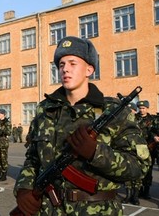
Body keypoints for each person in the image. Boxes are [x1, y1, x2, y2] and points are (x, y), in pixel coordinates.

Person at [13, 36, 150, 215]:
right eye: (61, 65)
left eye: (72, 63)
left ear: (89, 69)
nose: (65, 69)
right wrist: (24, 186)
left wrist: (96, 153)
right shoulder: (45, 110)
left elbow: (139, 167)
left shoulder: (113, 111)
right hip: (49, 210)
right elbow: (33, 158)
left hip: (97, 210)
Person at [136, 100, 158, 200]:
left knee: (148, 170)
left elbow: (156, 131)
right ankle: (138, 190)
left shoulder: (153, 119)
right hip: (137, 148)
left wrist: (155, 137)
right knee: (138, 170)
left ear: (147, 108)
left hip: (149, 148)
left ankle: (146, 191)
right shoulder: (134, 118)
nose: (141, 110)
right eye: (140, 108)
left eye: (143, 108)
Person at [122, 102, 141, 205]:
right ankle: (128, 194)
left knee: (137, 172)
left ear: (134, 111)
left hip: (138, 149)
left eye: (131, 110)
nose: (129, 112)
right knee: (127, 172)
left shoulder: (139, 120)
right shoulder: (124, 121)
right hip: (126, 148)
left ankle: (135, 196)